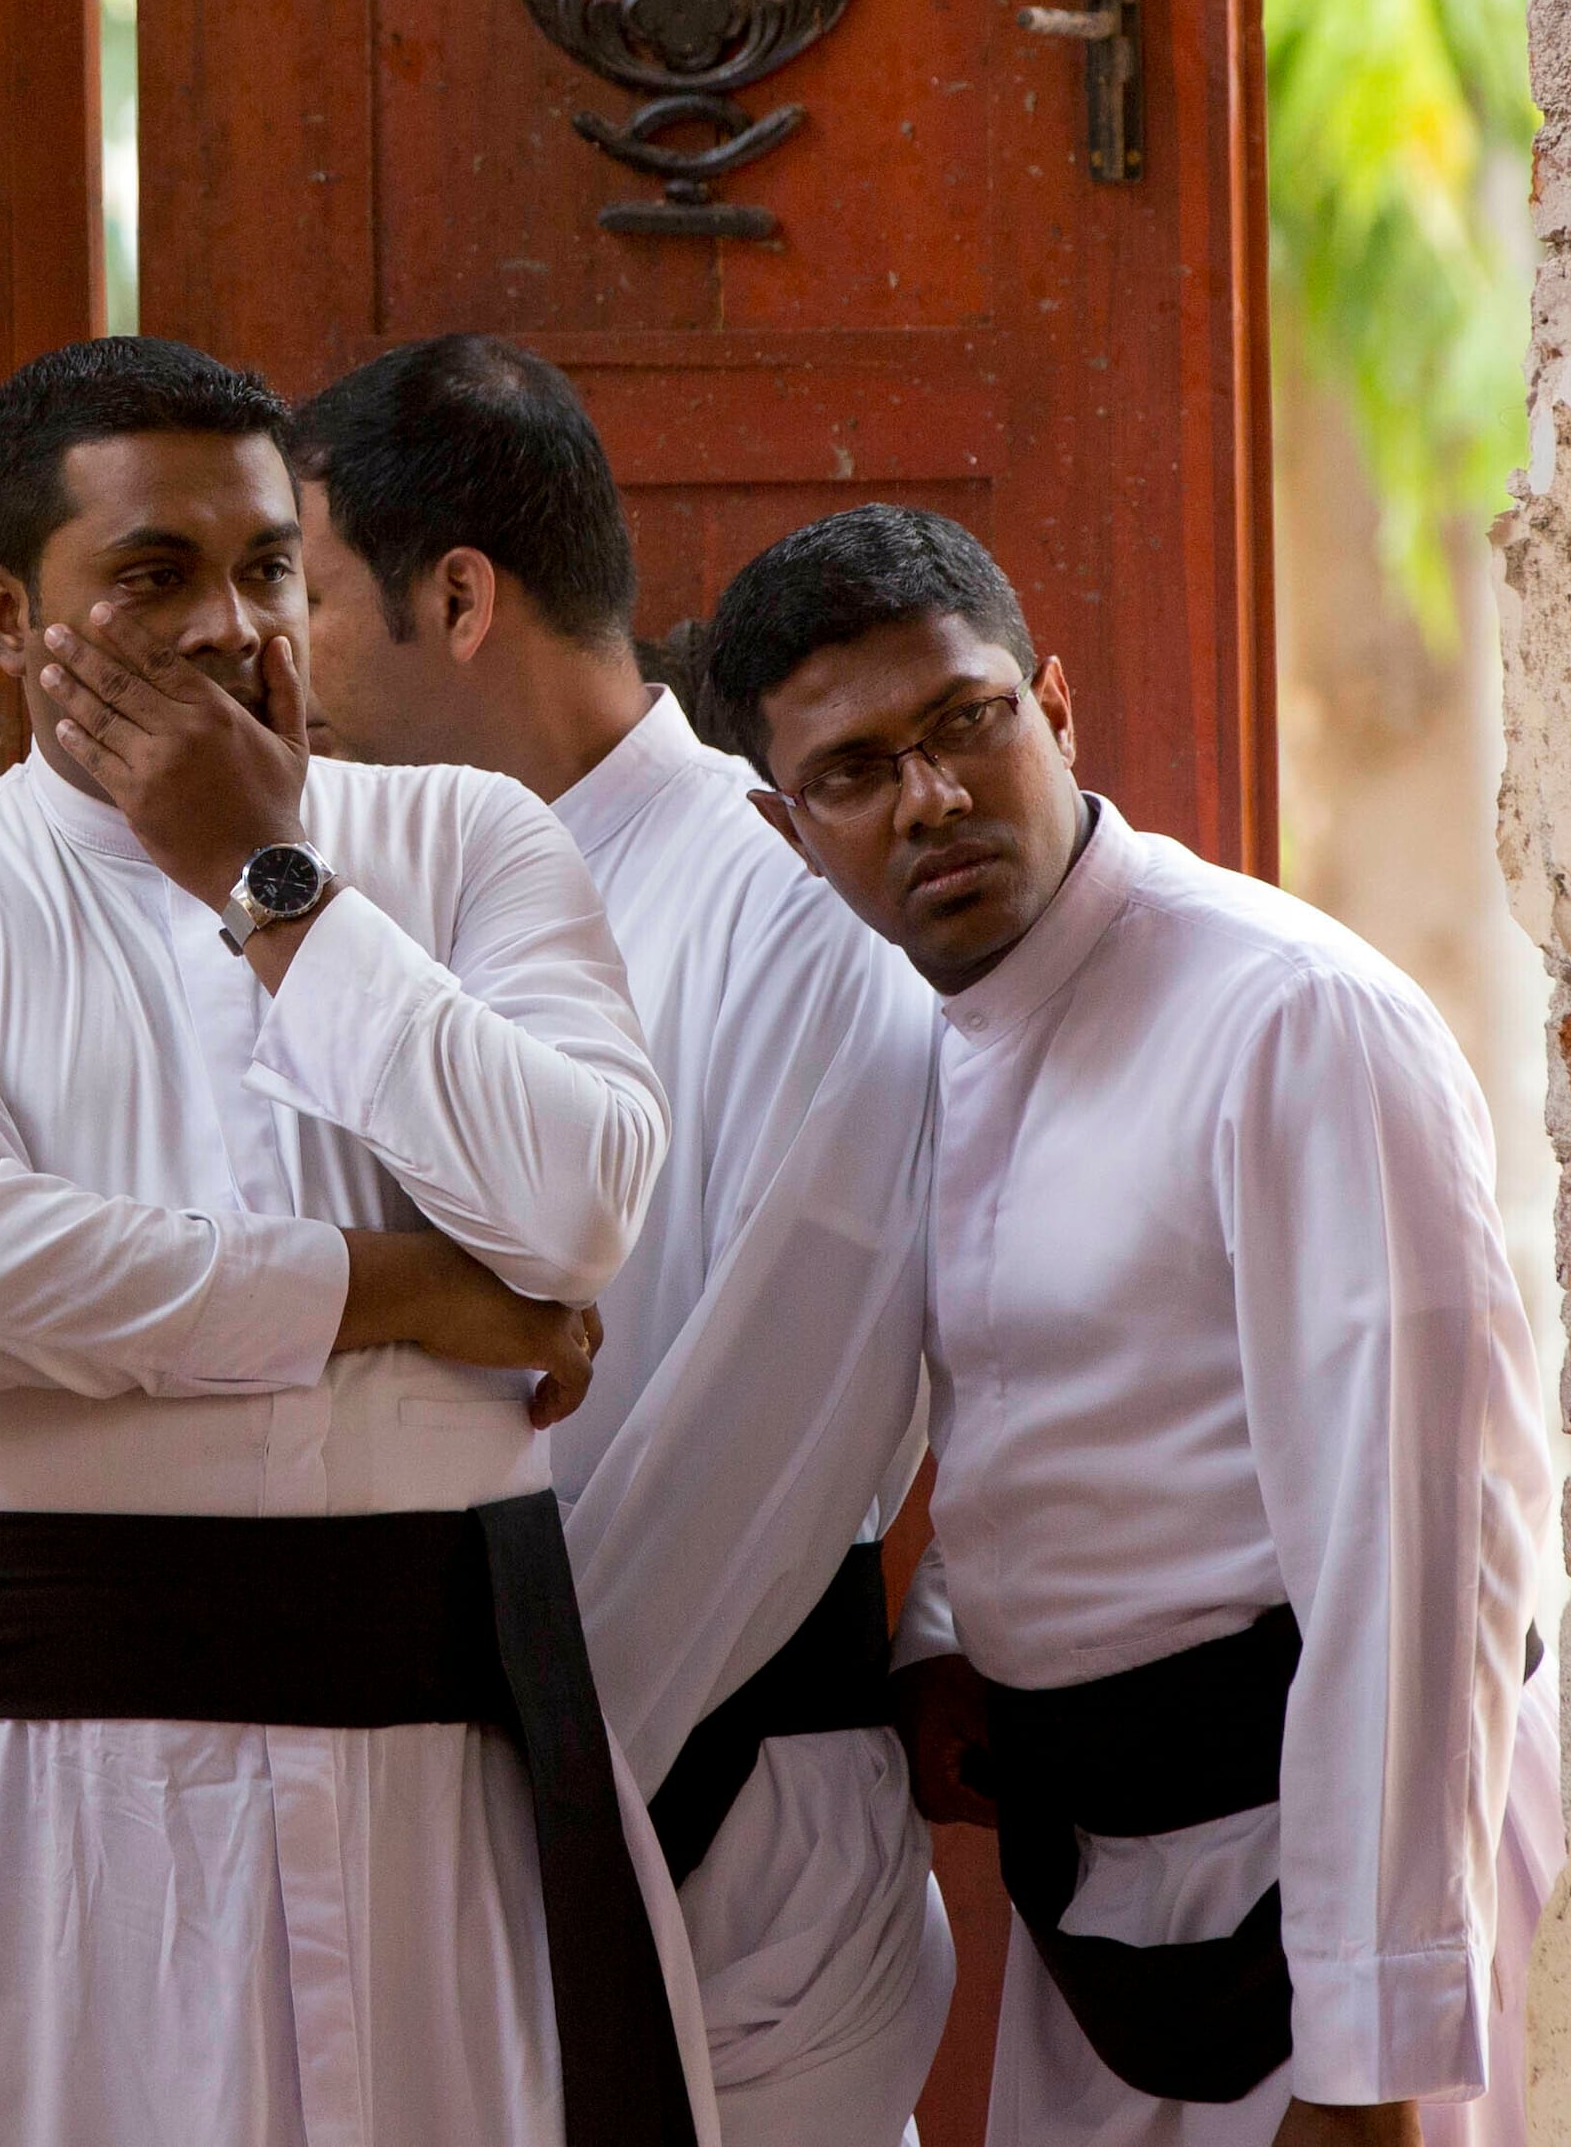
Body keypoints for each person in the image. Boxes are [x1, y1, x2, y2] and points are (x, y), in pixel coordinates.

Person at [0, 333, 713, 2147]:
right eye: (151, 576)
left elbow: (580, 1204)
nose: (227, 628)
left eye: (267, 567)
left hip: (437, 1806)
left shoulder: (468, 841)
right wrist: (401, 1290)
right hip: (55, 1820)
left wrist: (277, 891)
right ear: (7, 617)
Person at [700, 507, 1561, 2147]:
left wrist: (1371, 2058)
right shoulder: (920, 1046)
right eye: (855, 771)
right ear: (784, 828)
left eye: (967, 721)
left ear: (1056, 706)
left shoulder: (1291, 1021)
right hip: (1104, 1902)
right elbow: (1037, 1393)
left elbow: (1425, 1552)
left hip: (1353, 1904)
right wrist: (950, 1642)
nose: (931, 798)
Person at [289, 337, 953, 2147]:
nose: (277, 656)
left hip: (706, 1827)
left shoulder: (789, 916)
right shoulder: (377, 905)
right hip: (447, 1811)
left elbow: (762, 1438)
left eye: (308, 593)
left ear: (459, 598)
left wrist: (492, 1821)